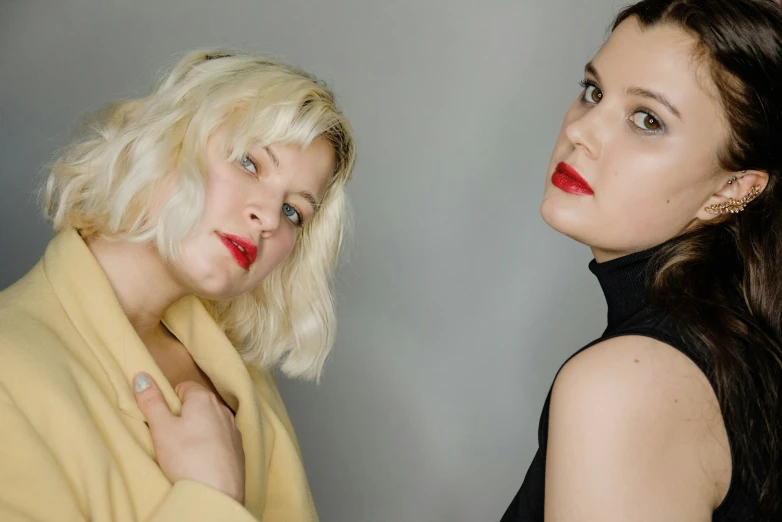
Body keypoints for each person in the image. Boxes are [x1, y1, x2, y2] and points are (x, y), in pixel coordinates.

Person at [0, 49, 355, 522]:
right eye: (249, 163)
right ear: (167, 139)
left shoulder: (240, 373)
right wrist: (209, 495)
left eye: (294, 211)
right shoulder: (10, 371)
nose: (268, 218)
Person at [500, 1, 782, 520]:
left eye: (647, 119)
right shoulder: (734, 358)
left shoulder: (623, 388)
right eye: (594, 92)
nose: (582, 131)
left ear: (732, 189)